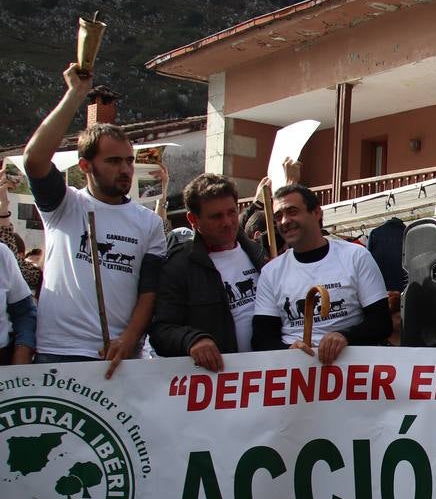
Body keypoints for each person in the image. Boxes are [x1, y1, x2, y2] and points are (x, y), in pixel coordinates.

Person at [21, 63, 166, 376]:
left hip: (118, 357)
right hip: (58, 352)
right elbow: (33, 159)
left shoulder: (148, 222)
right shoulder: (63, 204)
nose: (125, 169)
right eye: (113, 161)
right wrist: (76, 94)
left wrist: (129, 339)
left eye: (129, 161)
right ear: (85, 166)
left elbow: (149, 291)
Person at [252, 184, 390, 364]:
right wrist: (288, 350)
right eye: (278, 217)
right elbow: (261, 338)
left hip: (350, 371)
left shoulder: (356, 256)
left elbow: (381, 323)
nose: (284, 221)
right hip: (295, 374)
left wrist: (344, 336)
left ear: (317, 212)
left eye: (292, 211)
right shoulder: (271, 272)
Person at [149, 173, 269, 370]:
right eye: (216, 216)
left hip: (268, 375)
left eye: (231, 212)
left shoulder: (258, 253)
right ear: (193, 220)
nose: (228, 222)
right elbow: (161, 331)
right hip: (217, 383)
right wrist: (193, 340)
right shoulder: (178, 267)